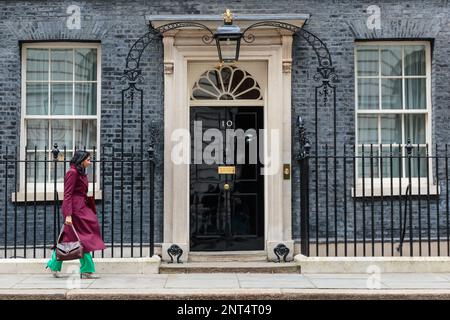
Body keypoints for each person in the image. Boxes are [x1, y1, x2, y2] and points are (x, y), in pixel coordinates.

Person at [46, 150, 106, 279]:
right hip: (75, 210)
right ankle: (86, 270)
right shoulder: (72, 173)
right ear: (81, 159)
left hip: (82, 207)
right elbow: (67, 194)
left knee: (73, 238)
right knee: (81, 238)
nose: (90, 161)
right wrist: (68, 214)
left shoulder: (80, 173)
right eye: (88, 159)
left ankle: (54, 264)